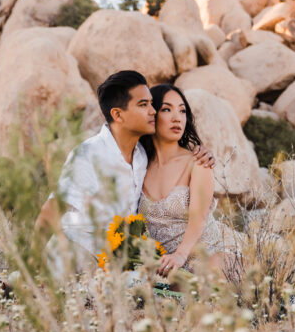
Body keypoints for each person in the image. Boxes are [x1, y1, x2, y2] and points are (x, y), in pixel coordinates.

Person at [35, 70, 213, 271]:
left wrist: (202, 152)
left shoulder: (141, 156)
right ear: (117, 114)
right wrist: (29, 264)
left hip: (117, 260)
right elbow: (52, 210)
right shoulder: (90, 154)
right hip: (76, 253)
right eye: (143, 105)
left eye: (152, 105)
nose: (152, 111)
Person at [139, 83, 240, 277]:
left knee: (212, 270)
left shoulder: (198, 162)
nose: (177, 117)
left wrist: (179, 256)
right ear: (152, 115)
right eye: (167, 109)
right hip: (164, 267)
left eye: (182, 111)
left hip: (204, 258)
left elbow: (199, 217)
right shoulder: (139, 165)